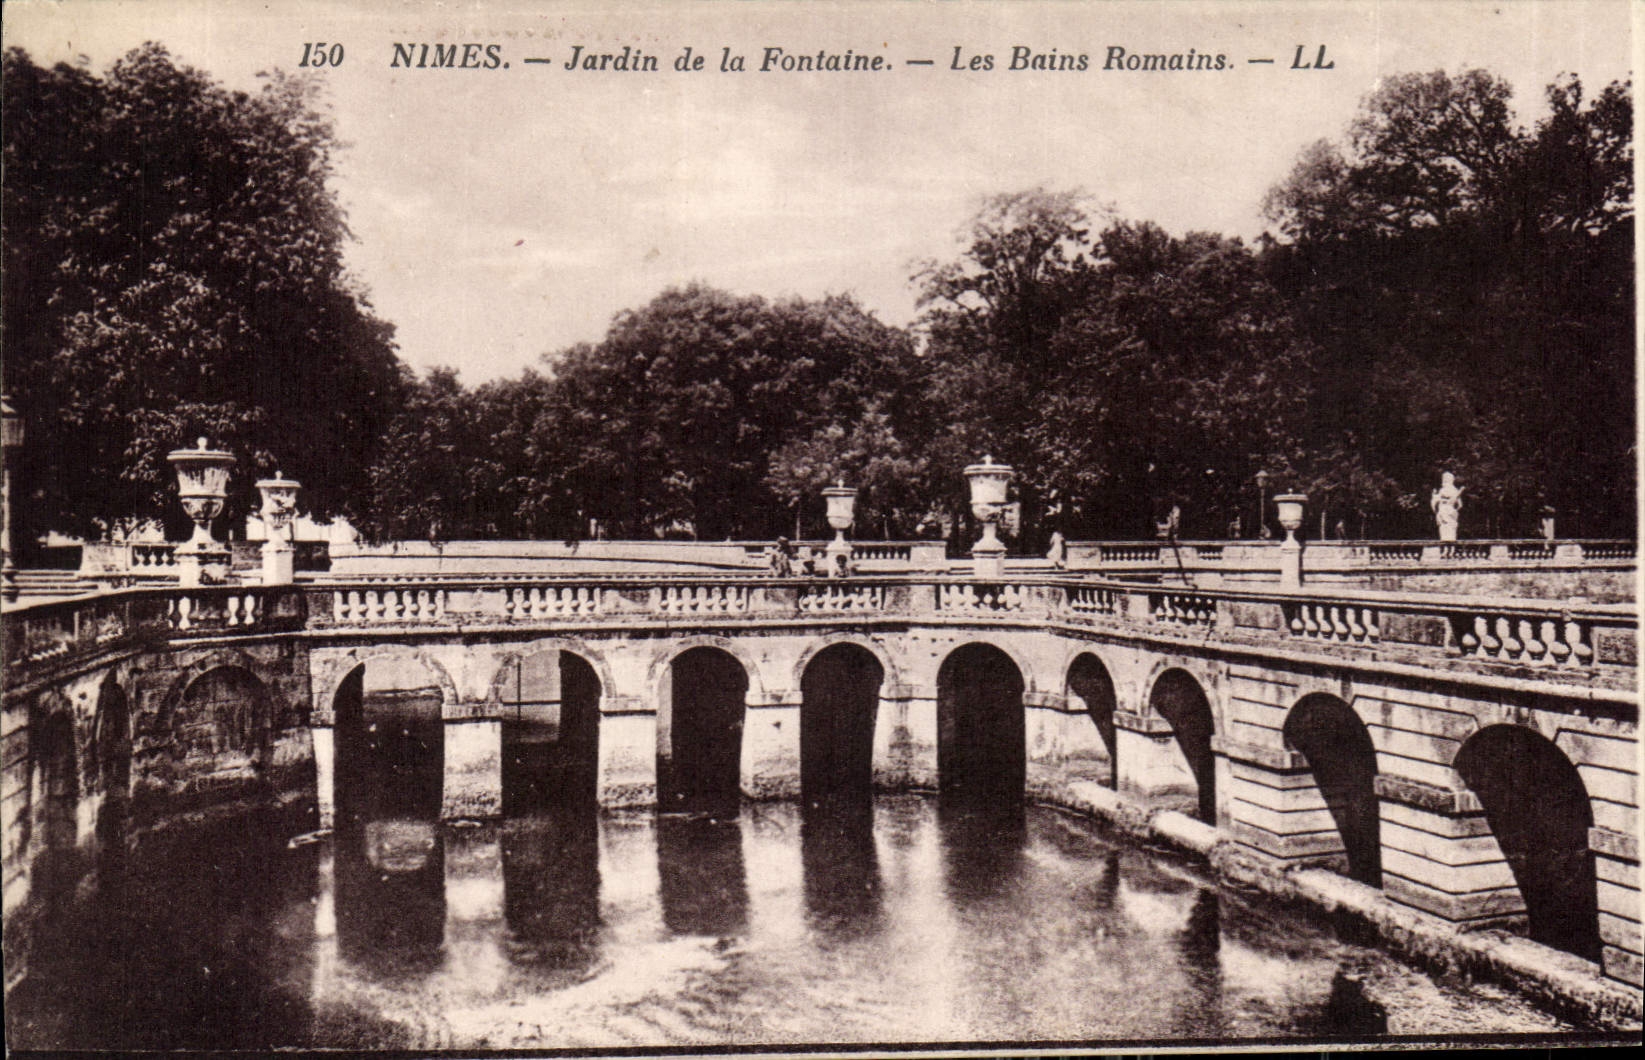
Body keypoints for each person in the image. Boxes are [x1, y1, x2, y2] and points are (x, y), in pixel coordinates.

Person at [1430, 472, 1464, 542]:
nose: (1444, 481)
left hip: (1447, 511)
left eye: (1445, 479)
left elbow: (1459, 504)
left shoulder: (1450, 490)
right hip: (1446, 511)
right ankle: (1447, 547)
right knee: (1445, 529)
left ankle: (1449, 547)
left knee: (1449, 528)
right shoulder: (1450, 490)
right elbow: (1460, 505)